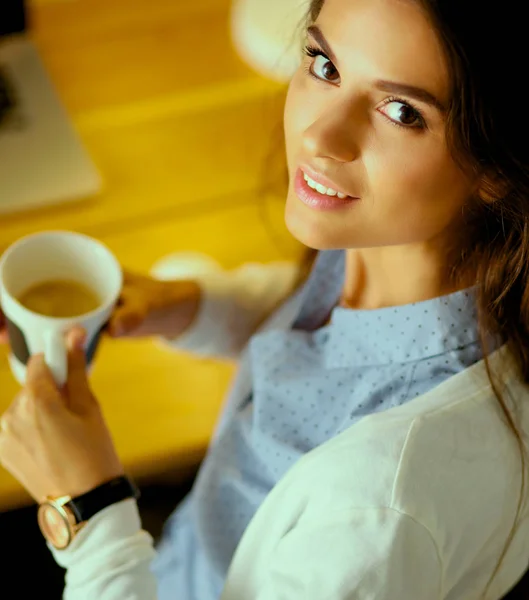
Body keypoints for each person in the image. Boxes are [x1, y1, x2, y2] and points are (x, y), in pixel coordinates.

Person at [1, 0, 529, 597]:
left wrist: (88, 513)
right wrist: (199, 307)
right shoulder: (386, 252)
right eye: (325, 65)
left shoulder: (375, 525)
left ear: (500, 167)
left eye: (402, 111)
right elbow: (329, 337)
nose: (320, 134)